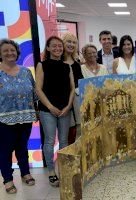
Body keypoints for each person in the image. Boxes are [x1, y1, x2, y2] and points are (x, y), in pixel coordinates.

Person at [35, 36, 75, 187]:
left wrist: (68, 106)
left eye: (60, 46)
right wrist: (50, 107)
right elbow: (38, 89)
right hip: (47, 110)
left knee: (64, 141)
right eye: (54, 46)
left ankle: (63, 170)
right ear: (48, 48)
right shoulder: (42, 65)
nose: (58, 48)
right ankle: (51, 171)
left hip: (65, 109)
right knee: (50, 141)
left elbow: (72, 88)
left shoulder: (67, 66)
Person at [0, 39, 37, 194]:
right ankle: (8, 179)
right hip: (3, 119)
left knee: (22, 147)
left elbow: (34, 92)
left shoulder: (26, 71)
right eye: (6, 50)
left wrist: (36, 111)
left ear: (17, 52)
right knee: (4, 150)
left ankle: (25, 172)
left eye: (12, 50)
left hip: (25, 117)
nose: (10, 53)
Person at [62, 33, 83, 141]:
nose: (71, 44)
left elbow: (81, 82)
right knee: (66, 135)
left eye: (74, 42)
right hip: (63, 103)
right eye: (69, 42)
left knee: (77, 133)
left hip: (76, 103)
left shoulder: (77, 63)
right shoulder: (58, 62)